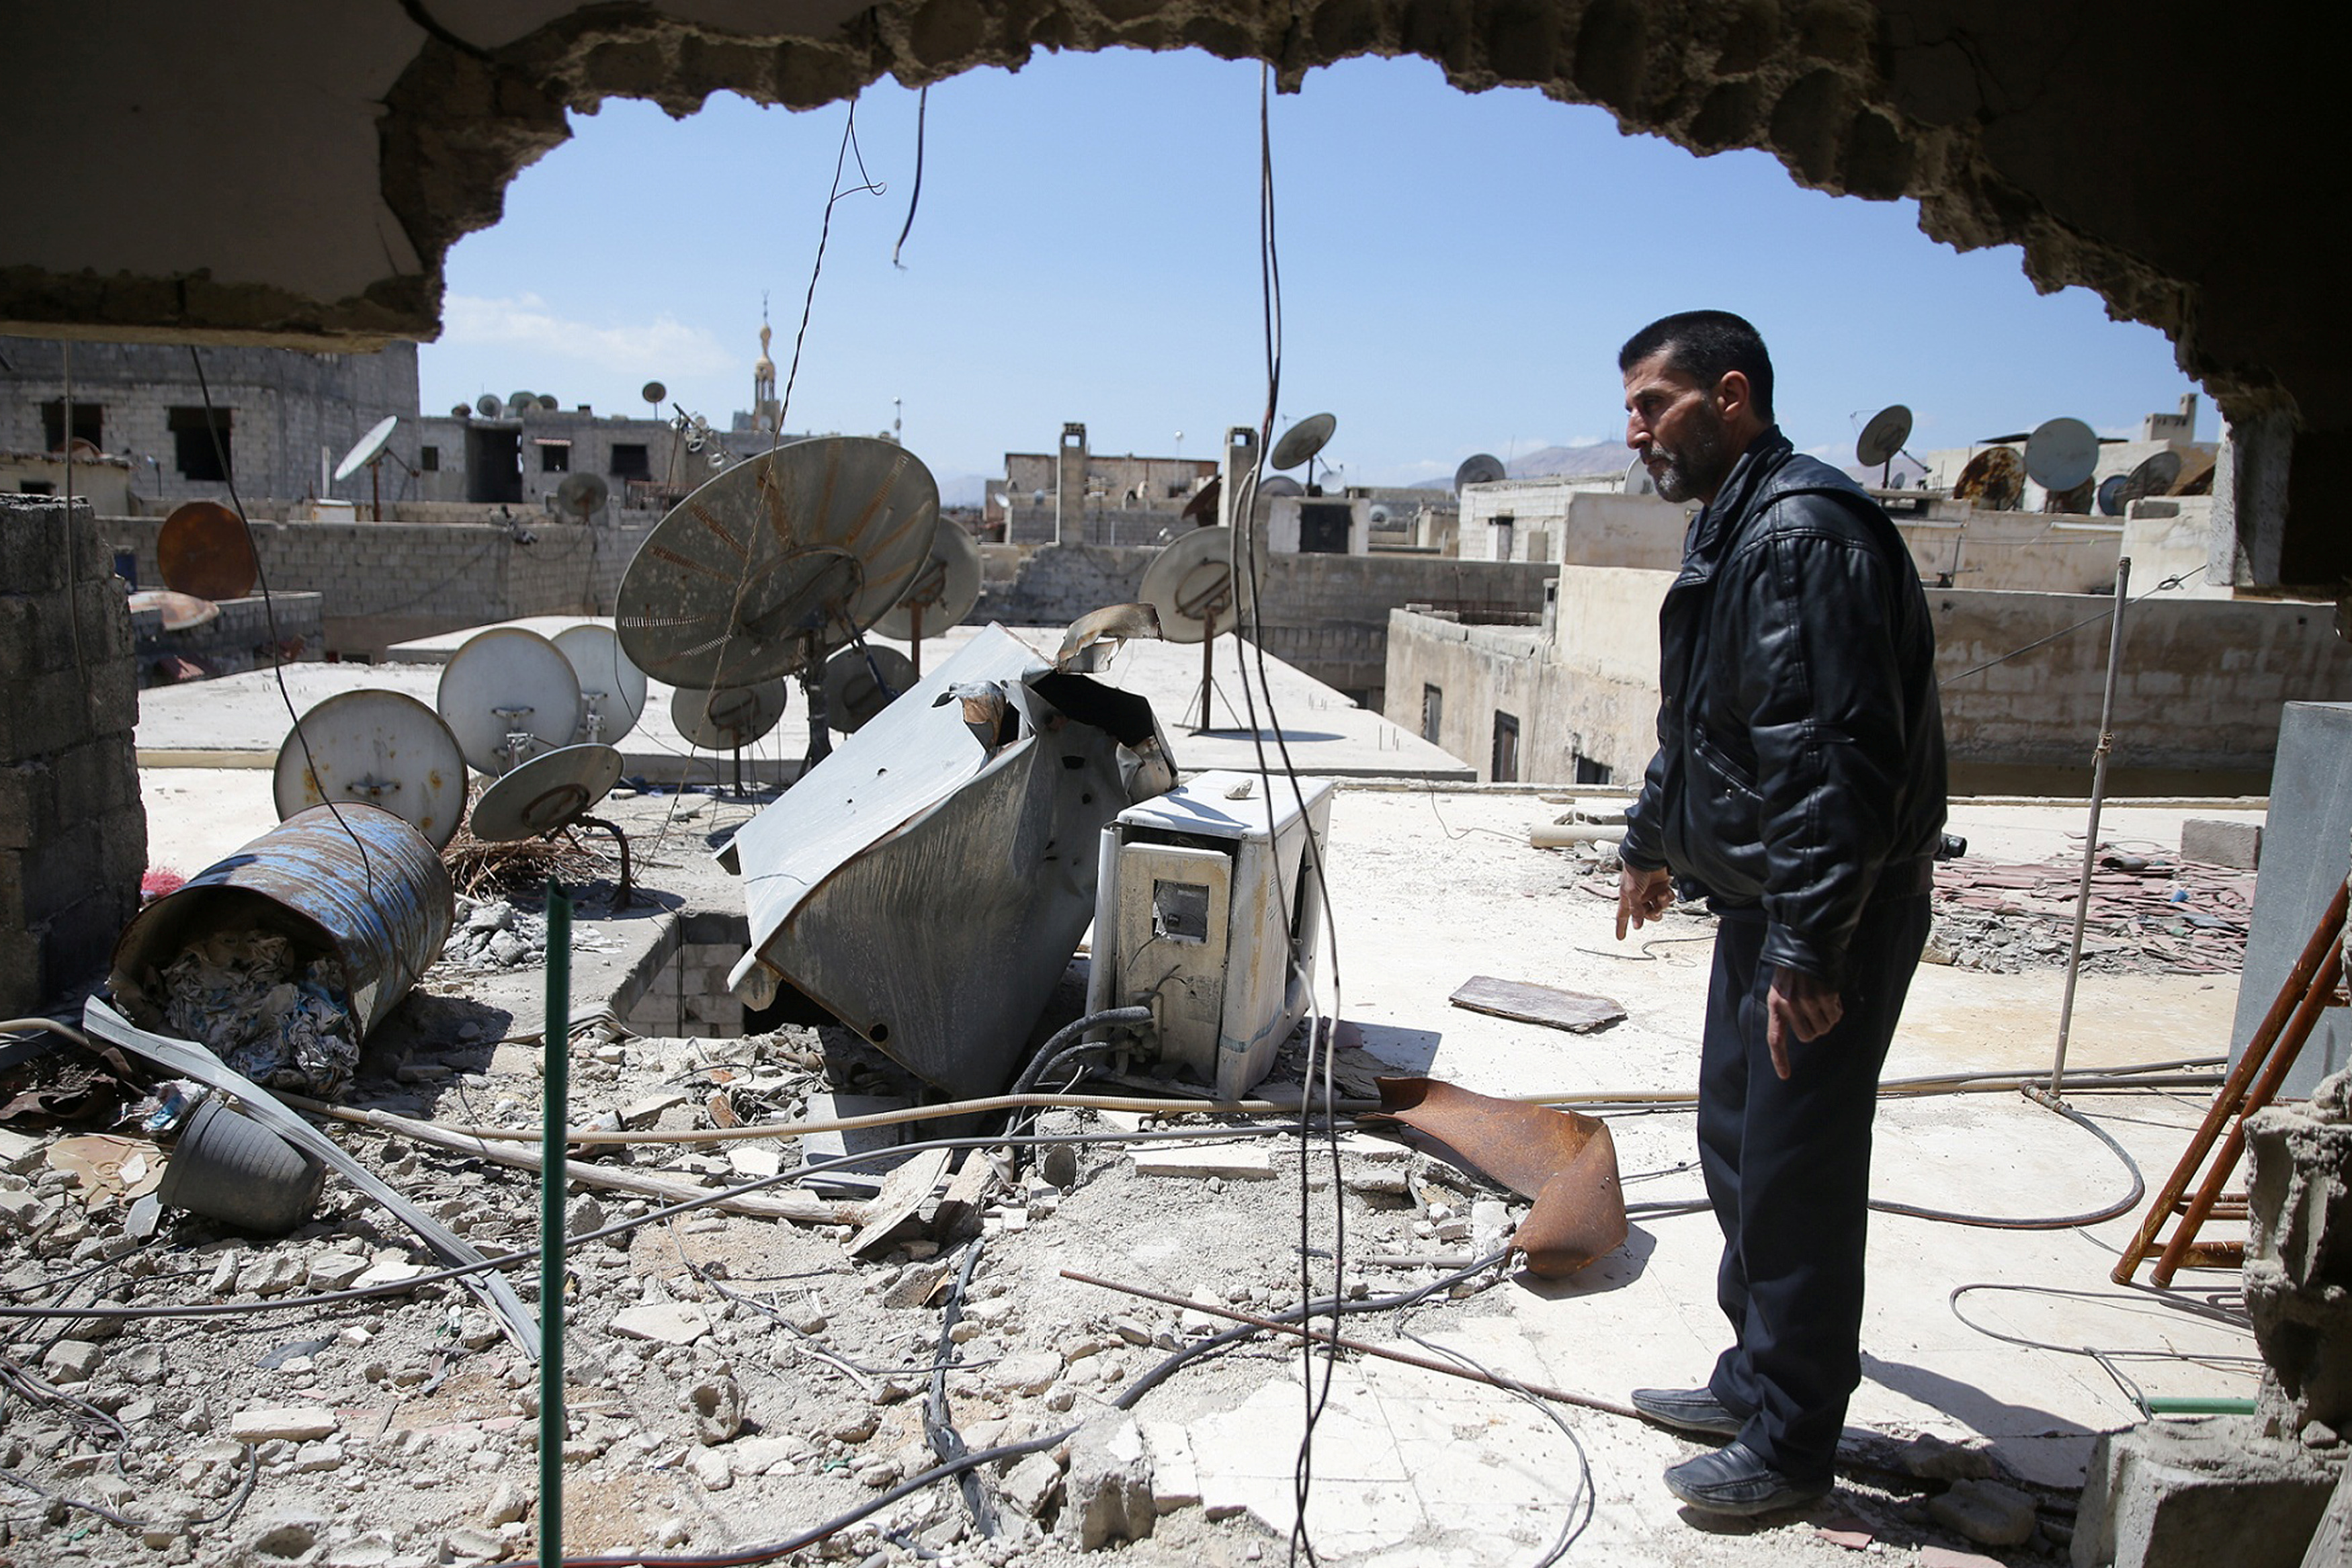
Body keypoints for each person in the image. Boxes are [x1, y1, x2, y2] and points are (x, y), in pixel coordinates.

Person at [1611, 310, 1948, 1516]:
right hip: (1765, 904)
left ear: (1732, 397)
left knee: (1796, 1171)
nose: (1637, 428)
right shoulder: (1739, 525)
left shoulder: (1800, 534)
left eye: (1655, 403)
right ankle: (1758, 1375)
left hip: (1826, 916)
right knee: (1738, 1145)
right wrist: (1652, 845)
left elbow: (1830, 757)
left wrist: (1814, 940)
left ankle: (1795, 1442)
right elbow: (1706, 722)